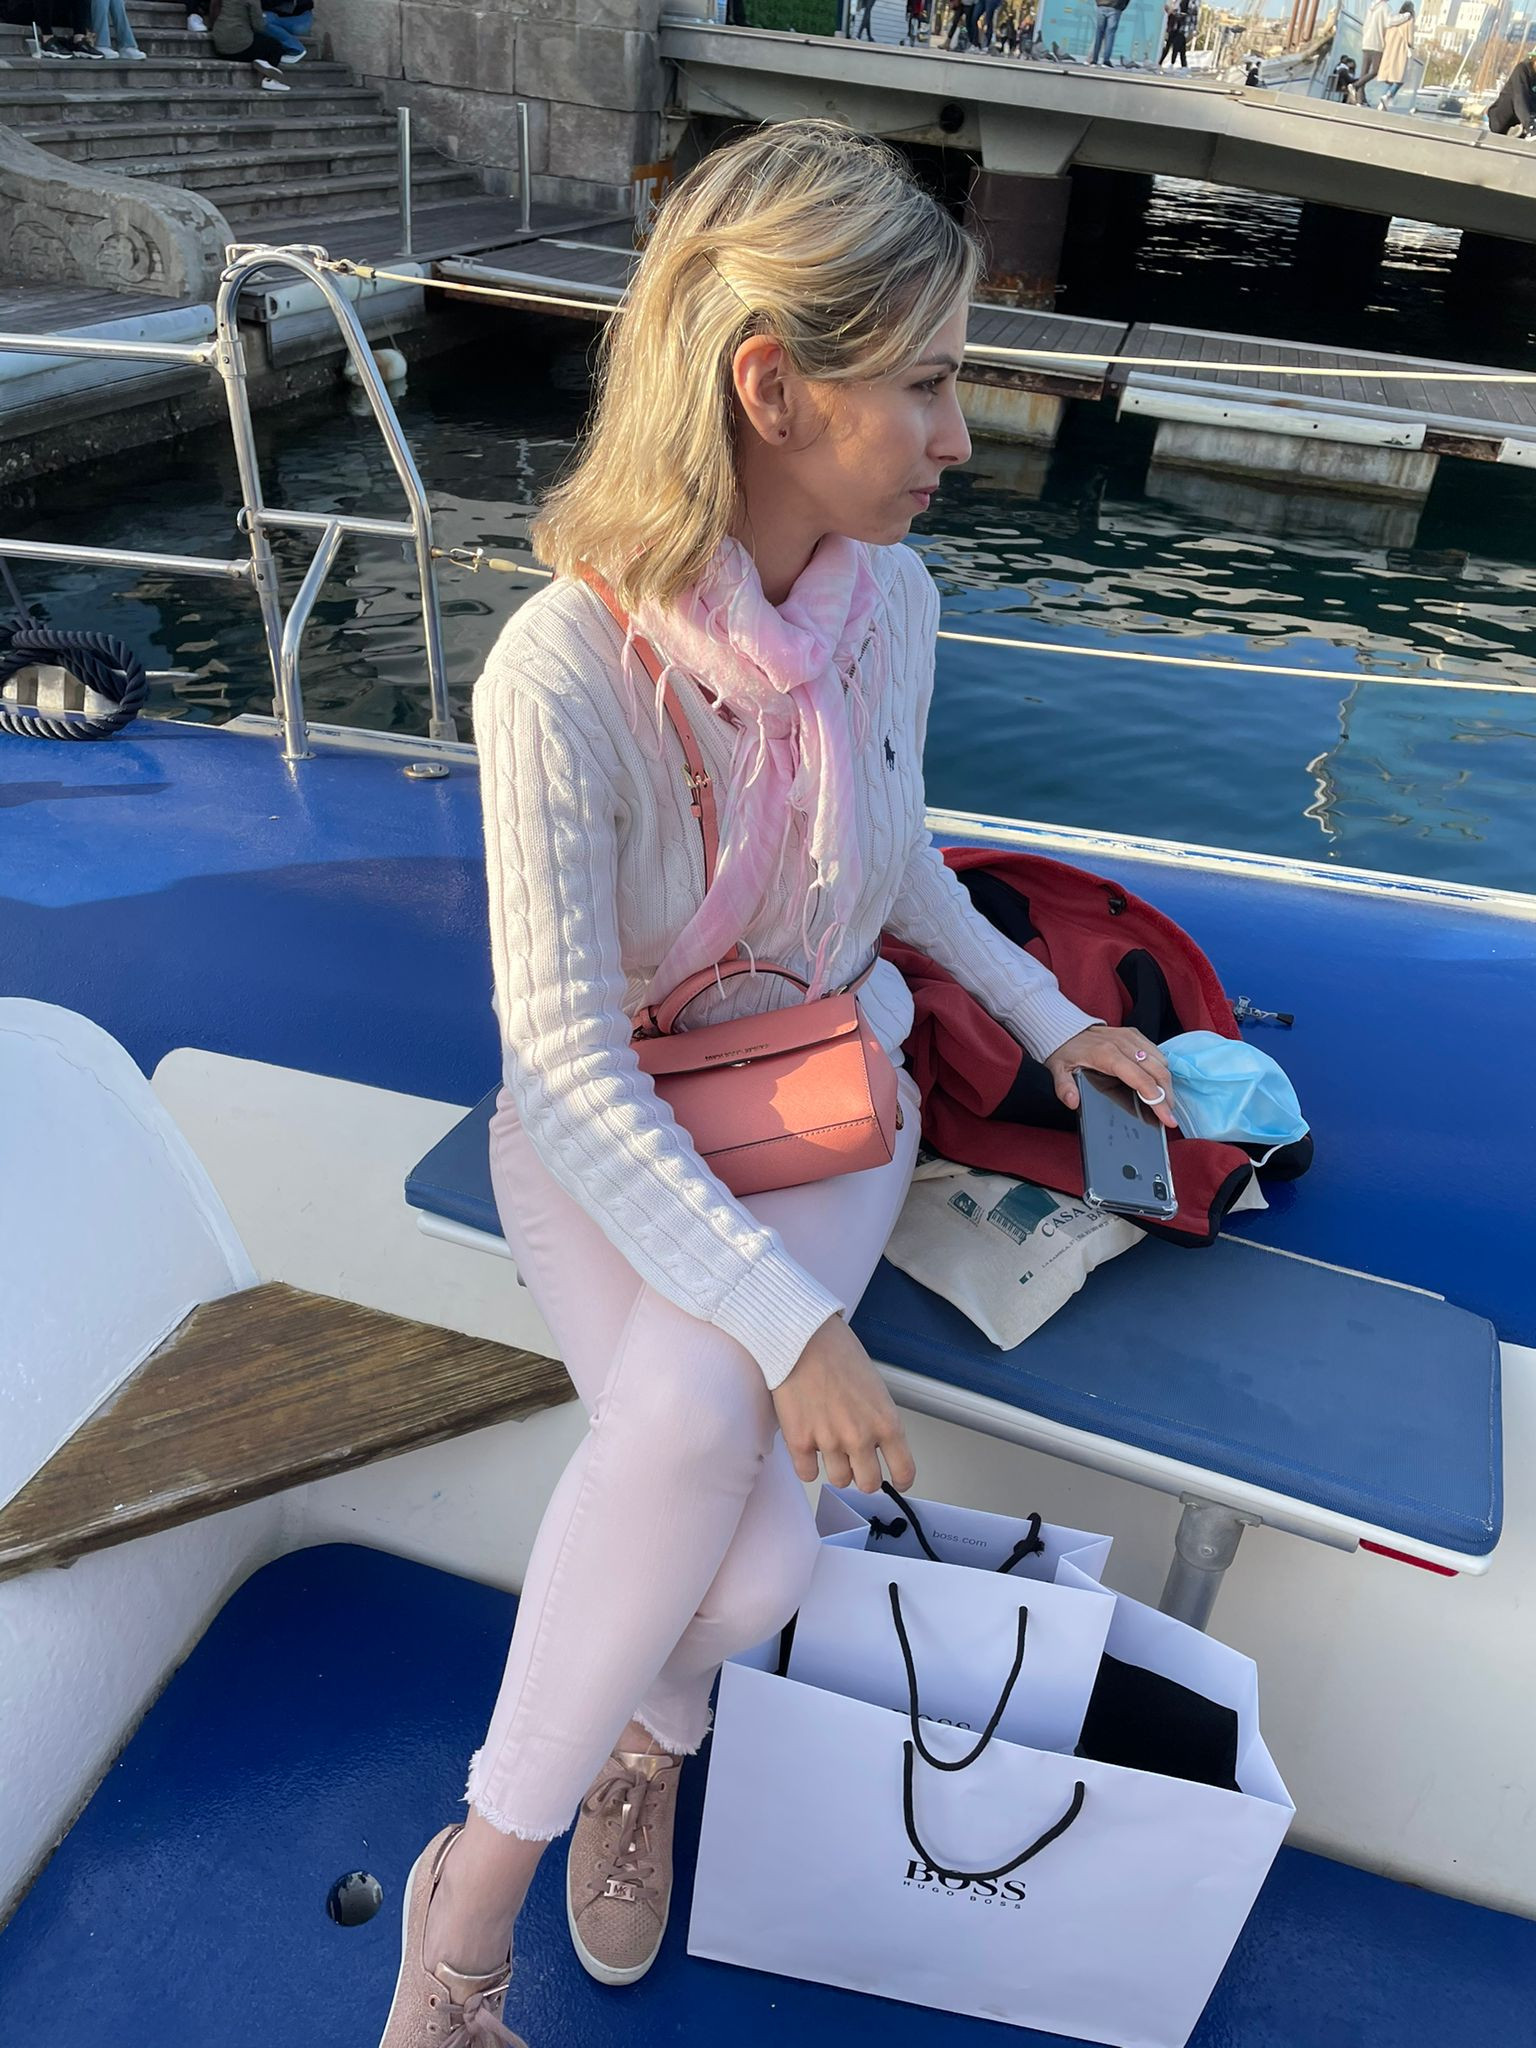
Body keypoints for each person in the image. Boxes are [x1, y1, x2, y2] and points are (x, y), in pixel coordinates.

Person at [371, 117, 1176, 2048]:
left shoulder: (893, 604)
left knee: (736, 1557)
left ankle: (603, 1772)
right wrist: (790, 1326)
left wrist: (1044, 1014)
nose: (960, 435)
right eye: (927, 383)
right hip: (607, 1128)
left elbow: (895, 860)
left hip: (817, 1102)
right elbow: (566, 1061)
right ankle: (471, 1915)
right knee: (711, 1487)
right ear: (772, 388)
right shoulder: (558, 674)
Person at [206, 0, 290, 84]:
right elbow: (258, 26)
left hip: (220, 46)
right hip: (240, 49)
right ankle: (269, 80)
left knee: (260, 41)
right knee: (276, 47)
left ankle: (262, 61)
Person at [1487, 50, 1536, 133]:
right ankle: (1522, 128)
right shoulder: (1522, 69)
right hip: (1500, 120)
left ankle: (1521, 130)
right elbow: (1520, 99)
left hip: (1520, 122)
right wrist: (1530, 126)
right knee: (1520, 98)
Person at [1375, 1, 1413, 105]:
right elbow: (1409, 39)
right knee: (1400, 78)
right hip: (1400, 52)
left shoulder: (1394, 19)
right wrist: (1411, 46)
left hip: (1389, 51)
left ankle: (1384, 100)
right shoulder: (1409, 20)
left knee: (1391, 78)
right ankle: (1388, 96)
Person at [1350, 0, 1389, 99]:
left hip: (1367, 43)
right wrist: (1404, 16)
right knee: (1375, 70)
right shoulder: (1385, 7)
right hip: (1377, 44)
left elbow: (1365, 26)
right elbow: (1390, 22)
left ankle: (1360, 98)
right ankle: (1355, 85)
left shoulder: (1371, 8)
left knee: (1364, 72)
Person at [1089, 0, 1130, 64]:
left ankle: (1094, 60)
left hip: (1102, 5)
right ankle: (1106, 60)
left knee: (1099, 33)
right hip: (1115, 6)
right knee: (1110, 34)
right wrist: (1122, 6)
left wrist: (1098, 3)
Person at [1160, 0, 1192, 67]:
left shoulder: (1185, 3)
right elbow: (1171, 12)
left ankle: (1173, 63)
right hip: (1174, 28)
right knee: (1169, 46)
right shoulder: (1175, 3)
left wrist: (1174, 12)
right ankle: (1161, 62)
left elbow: (1185, 14)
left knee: (1176, 47)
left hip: (1179, 29)